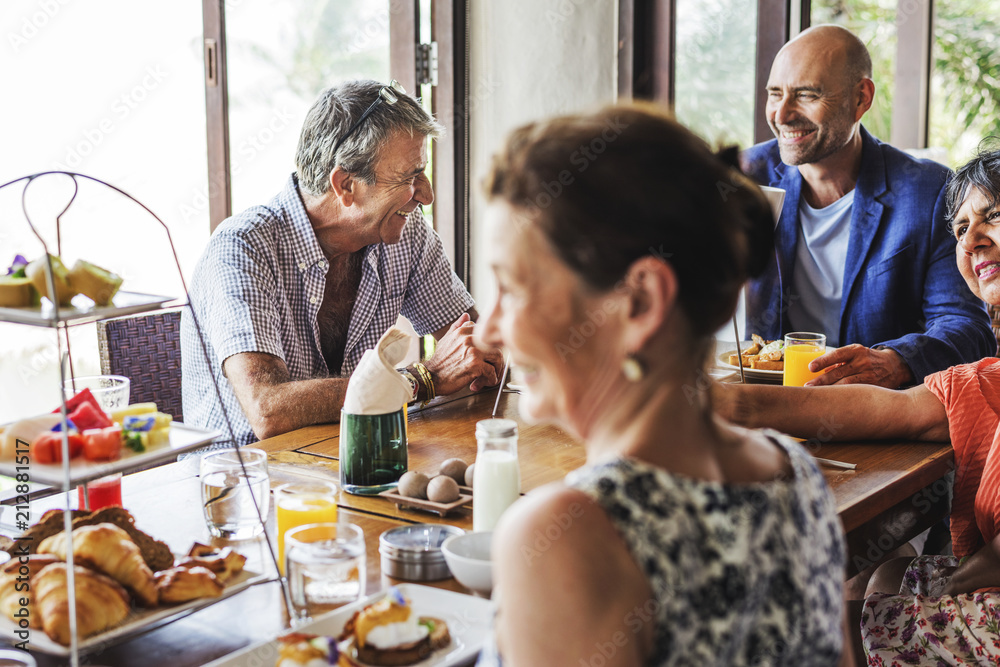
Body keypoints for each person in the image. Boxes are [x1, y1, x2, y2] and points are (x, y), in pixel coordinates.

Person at [474, 104, 849, 665]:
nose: (487, 329)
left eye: (512, 287)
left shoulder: (567, 536)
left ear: (641, 301)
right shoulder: (795, 474)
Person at [717, 147, 1000, 665]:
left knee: (803, 631)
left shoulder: (915, 184)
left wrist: (949, 590)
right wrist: (727, 400)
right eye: (960, 228)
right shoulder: (992, 377)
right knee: (887, 573)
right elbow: (890, 411)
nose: (972, 239)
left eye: (993, 216)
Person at [181, 80, 501, 446]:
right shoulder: (242, 248)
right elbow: (268, 410)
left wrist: (482, 356)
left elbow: (477, 349)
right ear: (346, 185)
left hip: (346, 461)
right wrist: (420, 379)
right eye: (410, 177)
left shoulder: (405, 234)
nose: (425, 195)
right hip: (239, 484)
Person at [742, 24, 994, 389]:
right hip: (758, 402)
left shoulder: (930, 190)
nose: (781, 114)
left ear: (861, 98)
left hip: (874, 413)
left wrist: (895, 361)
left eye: (806, 95)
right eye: (775, 94)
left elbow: (967, 328)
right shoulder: (742, 180)